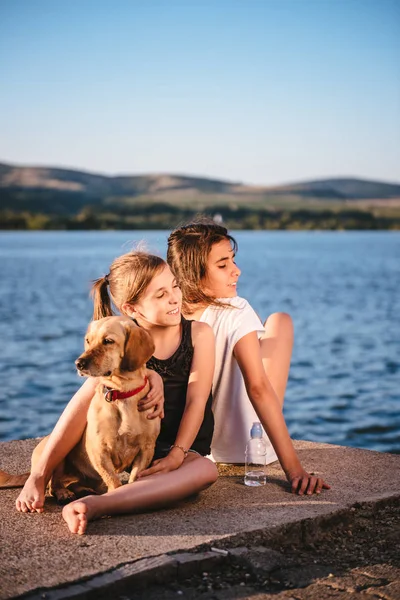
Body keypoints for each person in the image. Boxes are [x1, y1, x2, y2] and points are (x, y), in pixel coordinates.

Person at [17, 251, 218, 534]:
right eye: (160, 295)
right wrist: (37, 476)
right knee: (94, 388)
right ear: (133, 309)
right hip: (126, 455)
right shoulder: (121, 340)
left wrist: (176, 454)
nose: (174, 297)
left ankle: (103, 504)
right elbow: (78, 410)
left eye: (174, 285)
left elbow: (198, 399)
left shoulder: (199, 333)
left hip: (180, 449)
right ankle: (47, 477)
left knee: (207, 470)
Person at [167, 221, 330, 496]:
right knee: (280, 321)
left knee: (248, 344)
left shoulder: (170, 314)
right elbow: (258, 388)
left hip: (195, 449)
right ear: (194, 274)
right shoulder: (236, 310)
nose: (236, 270)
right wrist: (295, 471)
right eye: (222, 265)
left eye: (232, 260)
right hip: (248, 446)